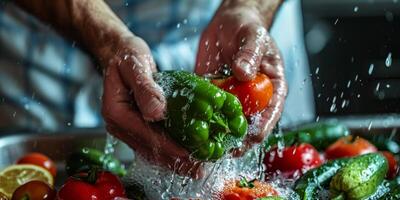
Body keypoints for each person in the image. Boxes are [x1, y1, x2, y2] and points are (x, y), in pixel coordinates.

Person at [0, 0, 292, 176]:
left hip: (232, 42)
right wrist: (105, 38)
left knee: (266, 167)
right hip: (48, 50)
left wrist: (247, 6)